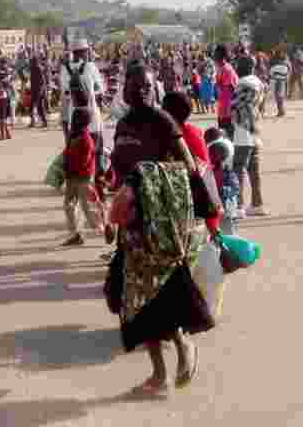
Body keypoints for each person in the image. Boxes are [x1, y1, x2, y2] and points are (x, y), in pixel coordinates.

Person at [107, 71, 206, 398]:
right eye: (134, 86)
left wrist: (146, 178)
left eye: (146, 86)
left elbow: (189, 168)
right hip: (132, 225)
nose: (140, 91)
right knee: (136, 299)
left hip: (161, 225)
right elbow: (118, 169)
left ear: (154, 89)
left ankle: (184, 348)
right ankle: (158, 373)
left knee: (166, 292)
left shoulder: (164, 122)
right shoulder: (122, 125)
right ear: (125, 89)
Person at [61, 107, 107, 247]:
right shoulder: (72, 135)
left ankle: (105, 229)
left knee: (88, 208)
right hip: (71, 177)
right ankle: (76, 234)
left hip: (83, 177)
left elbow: (84, 161)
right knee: (69, 206)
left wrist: (69, 166)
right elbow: (67, 153)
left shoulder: (86, 139)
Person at [231, 56, 266, 217]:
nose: (236, 68)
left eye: (238, 65)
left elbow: (235, 106)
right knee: (254, 170)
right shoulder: (259, 83)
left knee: (238, 168)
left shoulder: (242, 83)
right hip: (255, 129)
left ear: (245, 66)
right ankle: (257, 204)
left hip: (243, 130)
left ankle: (239, 206)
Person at [213, 45, 238, 140]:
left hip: (227, 111)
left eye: (216, 54)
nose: (214, 56)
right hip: (223, 109)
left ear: (221, 56)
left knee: (228, 137)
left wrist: (226, 112)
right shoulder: (221, 68)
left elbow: (229, 93)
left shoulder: (227, 70)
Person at [29, 53, 50, 128]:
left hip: (39, 90)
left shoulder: (38, 68)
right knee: (32, 106)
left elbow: (42, 81)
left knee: (39, 107)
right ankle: (33, 122)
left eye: (32, 61)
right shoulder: (32, 68)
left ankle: (44, 122)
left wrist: (41, 91)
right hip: (34, 90)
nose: (30, 62)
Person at [269, 52, 290, 117]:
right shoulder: (286, 65)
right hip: (284, 81)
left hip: (277, 82)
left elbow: (271, 74)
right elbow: (288, 73)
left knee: (278, 97)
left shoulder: (275, 66)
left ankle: (280, 111)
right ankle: (281, 110)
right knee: (281, 96)